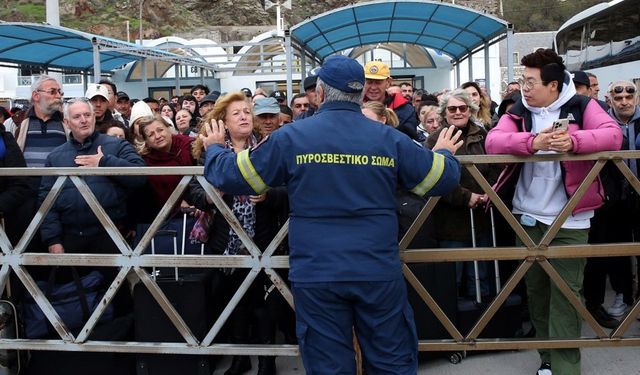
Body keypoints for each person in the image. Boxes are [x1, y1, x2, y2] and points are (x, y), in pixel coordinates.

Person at [200, 55, 463, 374]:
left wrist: (214, 148)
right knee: (390, 360)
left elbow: (234, 177)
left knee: (328, 364)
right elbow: (442, 178)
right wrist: (446, 154)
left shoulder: (291, 137)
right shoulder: (388, 138)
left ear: (320, 93)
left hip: (318, 272)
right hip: (375, 269)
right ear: (362, 94)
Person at [485, 48, 622, 375]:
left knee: (565, 295)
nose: (524, 87)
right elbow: (494, 142)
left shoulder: (582, 105)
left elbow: (613, 136)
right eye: (523, 80)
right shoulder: (519, 109)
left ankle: (565, 368)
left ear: (554, 85)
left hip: (571, 219)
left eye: (531, 81)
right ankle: (547, 359)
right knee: (537, 292)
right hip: (526, 218)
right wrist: (531, 143)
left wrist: (574, 143)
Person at [192, 92, 288, 375]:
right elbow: (193, 190)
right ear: (223, 122)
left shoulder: (268, 149)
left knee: (264, 303)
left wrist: (269, 196)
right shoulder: (208, 153)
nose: (245, 116)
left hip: (264, 240)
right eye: (237, 113)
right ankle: (239, 357)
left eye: (247, 111)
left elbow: (288, 189)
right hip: (226, 243)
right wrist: (212, 196)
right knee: (233, 302)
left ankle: (267, 360)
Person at [427, 89, 500, 298]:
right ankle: (451, 327)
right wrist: (465, 196)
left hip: (482, 217)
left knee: (482, 277)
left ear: (470, 110)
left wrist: (491, 192)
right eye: (452, 108)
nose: (458, 112)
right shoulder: (434, 140)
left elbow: (497, 168)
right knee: (452, 279)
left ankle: (483, 323)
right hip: (449, 223)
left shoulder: (483, 136)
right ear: (444, 112)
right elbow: (433, 177)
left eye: (462, 108)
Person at [363, 61, 421, 141]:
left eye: (378, 82)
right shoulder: (354, 106)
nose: (373, 87)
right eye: (369, 82)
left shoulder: (406, 109)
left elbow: (410, 141)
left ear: (388, 82)